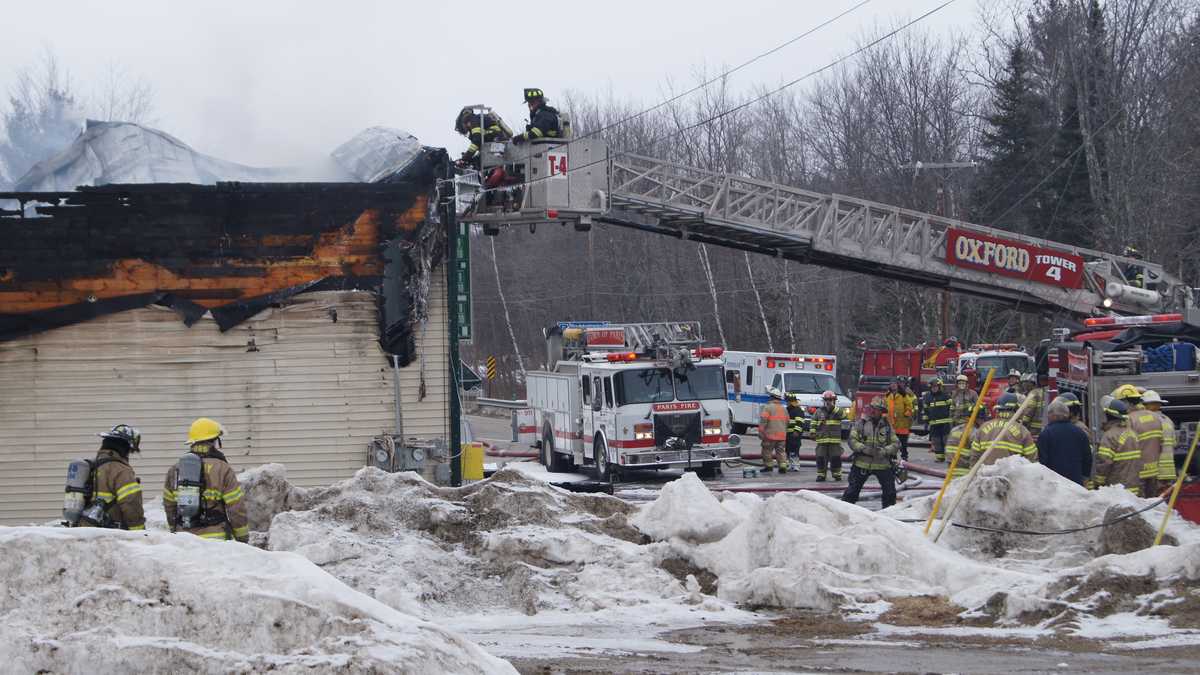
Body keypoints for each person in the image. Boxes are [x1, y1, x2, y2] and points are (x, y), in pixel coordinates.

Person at [163, 418, 249, 542]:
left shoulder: (175, 469)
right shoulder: (222, 468)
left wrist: (174, 529)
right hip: (215, 540)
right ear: (214, 440)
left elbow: (169, 506)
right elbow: (236, 508)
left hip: (184, 540)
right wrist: (242, 538)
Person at [74, 425, 146, 531]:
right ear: (125, 447)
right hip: (110, 532)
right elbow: (131, 503)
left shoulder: (93, 465)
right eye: (130, 450)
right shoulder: (121, 470)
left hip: (84, 527)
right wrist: (138, 531)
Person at [842, 397, 899, 508]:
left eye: (877, 409)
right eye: (873, 408)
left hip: (882, 464)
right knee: (851, 492)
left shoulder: (887, 426)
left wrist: (885, 451)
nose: (874, 411)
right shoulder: (861, 423)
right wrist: (862, 448)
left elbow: (896, 443)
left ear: (881, 411)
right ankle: (844, 512)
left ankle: (888, 514)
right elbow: (852, 439)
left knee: (890, 493)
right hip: (862, 463)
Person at [1112, 384, 1166, 497]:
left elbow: (1127, 447)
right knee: (1153, 503)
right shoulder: (1156, 417)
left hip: (1138, 471)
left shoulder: (1130, 420)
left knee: (1140, 503)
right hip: (1154, 470)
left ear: (1126, 402)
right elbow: (1162, 443)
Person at [971, 393, 1038, 466]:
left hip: (986, 472)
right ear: (1016, 409)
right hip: (1013, 473)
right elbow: (1032, 460)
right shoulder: (1022, 431)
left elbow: (974, 457)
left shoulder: (983, 428)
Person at [1092, 399, 1143, 494]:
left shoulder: (1109, 436)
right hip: (1134, 488)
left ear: (1108, 416)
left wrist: (1098, 483)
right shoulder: (1133, 434)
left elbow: (1104, 463)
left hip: (1117, 490)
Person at [1037, 401, 1092, 485]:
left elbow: (1042, 460)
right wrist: (1085, 476)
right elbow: (1087, 457)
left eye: (1048, 414)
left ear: (1052, 415)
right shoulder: (1080, 432)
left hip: (1054, 484)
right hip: (1076, 483)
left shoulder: (1046, 434)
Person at [1142, 390, 1178, 491]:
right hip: (1169, 470)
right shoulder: (1167, 420)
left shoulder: (1147, 420)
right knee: (1165, 497)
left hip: (1154, 469)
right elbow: (1174, 443)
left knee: (1153, 497)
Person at [810, 390, 847, 481]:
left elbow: (843, 415)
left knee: (835, 458)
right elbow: (813, 422)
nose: (828, 402)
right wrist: (812, 432)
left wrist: (833, 407)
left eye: (830, 400)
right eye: (826, 400)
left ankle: (837, 474)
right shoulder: (819, 411)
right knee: (820, 458)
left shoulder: (838, 411)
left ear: (834, 400)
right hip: (822, 440)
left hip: (834, 441)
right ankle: (821, 475)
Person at [921, 378, 954, 462]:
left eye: (936, 387)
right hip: (934, 424)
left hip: (945, 423)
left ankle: (950, 458)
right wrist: (926, 423)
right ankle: (940, 457)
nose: (934, 388)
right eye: (932, 387)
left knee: (946, 441)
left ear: (939, 387)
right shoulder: (927, 397)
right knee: (936, 441)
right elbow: (925, 410)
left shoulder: (945, 395)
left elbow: (952, 407)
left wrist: (953, 419)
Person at [759, 389, 789, 473]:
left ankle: (768, 466)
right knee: (781, 452)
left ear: (772, 397)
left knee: (767, 451)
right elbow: (787, 421)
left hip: (770, 435)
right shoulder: (784, 409)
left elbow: (763, 421)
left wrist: (761, 432)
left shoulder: (767, 407)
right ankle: (783, 467)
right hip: (782, 436)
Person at [885, 379, 914, 461]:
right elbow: (884, 407)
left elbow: (909, 406)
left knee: (903, 442)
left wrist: (906, 414)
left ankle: (904, 456)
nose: (893, 385)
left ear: (897, 385)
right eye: (891, 384)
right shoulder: (887, 396)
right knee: (892, 441)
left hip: (902, 423)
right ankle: (893, 456)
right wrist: (885, 416)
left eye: (894, 384)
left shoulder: (903, 395)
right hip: (891, 424)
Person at [785, 393, 805, 469]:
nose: (787, 403)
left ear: (791, 401)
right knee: (788, 449)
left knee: (794, 450)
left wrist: (796, 431)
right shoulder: (788, 410)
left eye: (788, 401)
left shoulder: (798, 410)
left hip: (795, 434)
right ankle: (790, 464)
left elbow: (799, 422)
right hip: (788, 434)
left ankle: (796, 465)